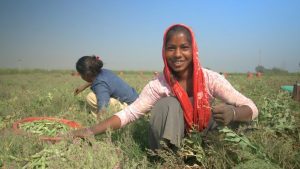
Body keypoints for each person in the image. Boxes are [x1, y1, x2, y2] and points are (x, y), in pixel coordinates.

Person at [70, 24, 258, 150]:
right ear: (164, 51)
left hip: (204, 136)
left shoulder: (211, 79)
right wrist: (89, 131)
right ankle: (169, 159)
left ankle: (211, 151)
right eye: (171, 48)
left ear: (193, 50)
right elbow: (129, 114)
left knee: (234, 115)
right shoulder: (158, 85)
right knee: (167, 103)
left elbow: (252, 108)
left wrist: (233, 113)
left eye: (184, 47)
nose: (177, 54)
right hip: (169, 143)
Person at [74, 55, 139, 116]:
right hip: (138, 102)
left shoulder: (100, 85)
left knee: (91, 97)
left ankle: (100, 118)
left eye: (81, 74)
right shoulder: (103, 72)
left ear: (86, 75)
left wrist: (98, 124)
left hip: (131, 109)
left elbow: (103, 106)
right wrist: (83, 86)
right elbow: (97, 80)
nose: (81, 77)